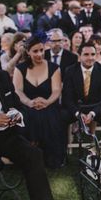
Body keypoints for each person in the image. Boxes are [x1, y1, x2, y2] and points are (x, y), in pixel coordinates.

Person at [0, 37, 65, 200]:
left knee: (34, 155)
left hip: (7, 134)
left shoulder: (1, 76)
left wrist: (15, 115)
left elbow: (17, 106)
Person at [12, 35, 65, 169]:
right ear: (28, 52)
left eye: (41, 50)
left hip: (49, 104)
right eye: (35, 51)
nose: (40, 54)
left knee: (49, 117)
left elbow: (56, 90)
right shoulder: (20, 69)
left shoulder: (54, 68)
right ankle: (29, 158)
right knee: (28, 116)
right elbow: (17, 90)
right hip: (26, 104)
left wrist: (47, 102)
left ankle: (51, 158)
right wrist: (29, 102)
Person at [62, 42, 101, 138]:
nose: (90, 58)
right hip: (76, 108)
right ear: (79, 55)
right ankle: (60, 150)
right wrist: (78, 113)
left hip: (96, 108)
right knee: (61, 115)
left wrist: (92, 113)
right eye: (86, 54)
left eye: (93, 54)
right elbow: (67, 98)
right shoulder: (70, 71)